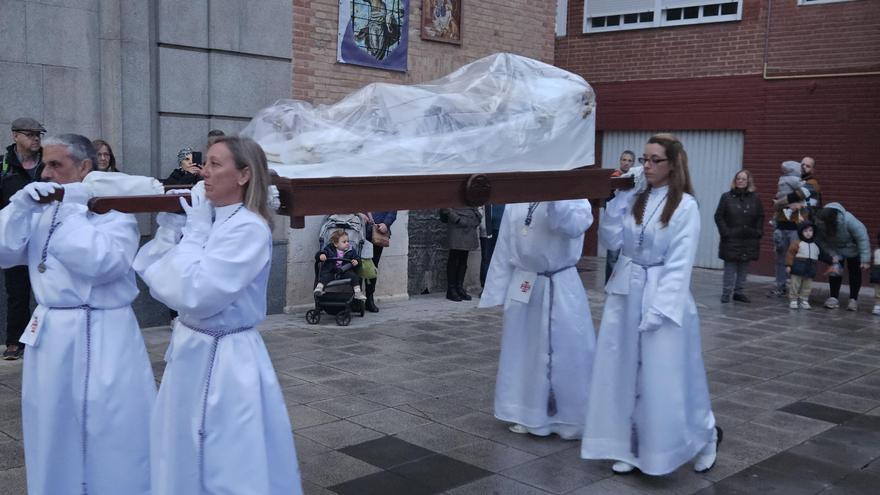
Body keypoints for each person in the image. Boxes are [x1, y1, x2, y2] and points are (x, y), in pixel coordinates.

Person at [133, 136, 302, 494]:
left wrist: (192, 235)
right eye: (204, 163)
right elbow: (154, 275)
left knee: (225, 455)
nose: (203, 172)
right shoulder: (210, 220)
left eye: (214, 164)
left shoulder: (248, 228)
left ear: (243, 175)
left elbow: (196, 294)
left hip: (225, 357)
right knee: (180, 445)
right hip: (191, 350)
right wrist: (170, 232)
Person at [0, 133, 154, 494]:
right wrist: (19, 209)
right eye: (44, 165)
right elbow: (5, 252)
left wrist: (70, 211)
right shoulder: (42, 207)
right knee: (51, 422)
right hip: (52, 330)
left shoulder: (115, 211)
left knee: (111, 423)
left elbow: (103, 263)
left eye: (57, 165)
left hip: (104, 330)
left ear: (85, 167)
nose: (47, 174)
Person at [581, 133, 720, 476]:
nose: (646, 165)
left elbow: (680, 261)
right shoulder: (635, 198)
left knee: (670, 374)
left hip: (662, 294)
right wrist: (615, 201)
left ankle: (703, 436)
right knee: (626, 369)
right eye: (644, 158)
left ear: (672, 164)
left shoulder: (685, 205)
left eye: (654, 159)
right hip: (628, 292)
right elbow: (613, 241)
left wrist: (661, 307)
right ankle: (630, 443)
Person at [479, 199, 596, 440]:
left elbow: (573, 226)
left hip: (559, 283)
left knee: (563, 350)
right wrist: (496, 290)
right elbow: (504, 247)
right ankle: (525, 412)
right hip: (524, 283)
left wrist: (555, 198)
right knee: (524, 351)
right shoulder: (518, 198)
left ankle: (565, 417)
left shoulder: (575, 198)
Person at [0, 118, 45, 360]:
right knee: (16, 291)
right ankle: (15, 341)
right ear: (15, 136)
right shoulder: (4, 165)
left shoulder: (48, 163)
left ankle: (44, 337)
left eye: (39, 134)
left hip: (44, 235)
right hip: (15, 238)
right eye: (30, 134)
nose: (36, 138)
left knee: (47, 289)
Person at [770, 157, 822, 297]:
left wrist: (781, 203)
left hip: (798, 227)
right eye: (802, 164)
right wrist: (781, 203)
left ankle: (796, 290)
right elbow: (779, 197)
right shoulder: (787, 179)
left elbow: (798, 195)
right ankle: (780, 287)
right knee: (781, 259)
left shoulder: (813, 183)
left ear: (813, 169)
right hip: (781, 225)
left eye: (808, 166)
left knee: (797, 259)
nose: (804, 167)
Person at [713, 169, 764, 303]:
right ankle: (726, 292)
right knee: (730, 266)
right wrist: (725, 232)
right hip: (731, 238)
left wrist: (758, 231)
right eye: (738, 179)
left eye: (743, 179)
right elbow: (719, 216)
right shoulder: (726, 197)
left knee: (744, 266)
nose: (740, 181)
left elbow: (760, 216)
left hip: (749, 237)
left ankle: (739, 292)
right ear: (735, 181)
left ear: (748, 181)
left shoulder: (755, 198)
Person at [813, 203, 871, 311]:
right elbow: (820, 240)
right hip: (834, 249)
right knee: (835, 272)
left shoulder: (848, 220)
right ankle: (833, 297)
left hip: (852, 248)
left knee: (854, 272)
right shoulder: (821, 221)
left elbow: (862, 238)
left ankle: (853, 299)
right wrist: (831, 254)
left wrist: (865, 259)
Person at [606, 150, 635, 283]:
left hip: (630, 221)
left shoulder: (636, 178)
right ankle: (610, 284)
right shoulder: (613, 177)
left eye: (629, 160)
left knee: (629, 256)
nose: (626, 163)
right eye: (624, 160)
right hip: (615, 223)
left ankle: (624, 283)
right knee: (613, 255)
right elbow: (607, 200)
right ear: (620, 161)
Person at [440, 207, 481, 302]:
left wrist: (477, 217)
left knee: (463, 260)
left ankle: (459, 287)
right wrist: (457, 219)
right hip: (456, 227)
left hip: (469, 226)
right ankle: (451, 289)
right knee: (454, 259)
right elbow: (445, 207)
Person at [314, 229, 365, 300]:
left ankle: (357, 293)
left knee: (354, 276)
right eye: (344, 242)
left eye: (348, 241)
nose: (347, 243)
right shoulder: (329, 248)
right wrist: (321, 255)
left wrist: (356, 261)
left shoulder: (350, 250)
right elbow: (321, 253)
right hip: (331, 270)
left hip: (344, 271)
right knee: (324, 276)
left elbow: (357, 258)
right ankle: (319, 289)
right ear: (336, 244)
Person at [364, 211, 396, 312]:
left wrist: (386, 224)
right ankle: (357, 299)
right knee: (356, 264)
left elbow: (393, 208)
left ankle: (369, 298)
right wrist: (359, 214)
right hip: (359, 231)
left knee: (373, 267)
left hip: (377, 232)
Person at [785, 222, 819, 310]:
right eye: (805, 231)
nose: (808, 233)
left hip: (810, 269)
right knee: (795, 284)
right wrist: (789, 265)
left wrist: (831, 260)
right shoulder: (797, 243)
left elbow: (822, 255)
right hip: (797, 268)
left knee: (807, 286)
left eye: (810, 231)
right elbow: (790, 254)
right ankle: (793, 299)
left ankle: (804, 299)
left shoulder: (815, 245)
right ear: (801, 232)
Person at [870, 231, 880, 316]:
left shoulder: (877, 251)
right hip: (878, 275)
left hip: (877, 276)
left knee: (877, 292)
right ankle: (877, 306)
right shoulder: (877, 252)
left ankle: (877, 306)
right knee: (878, 292)